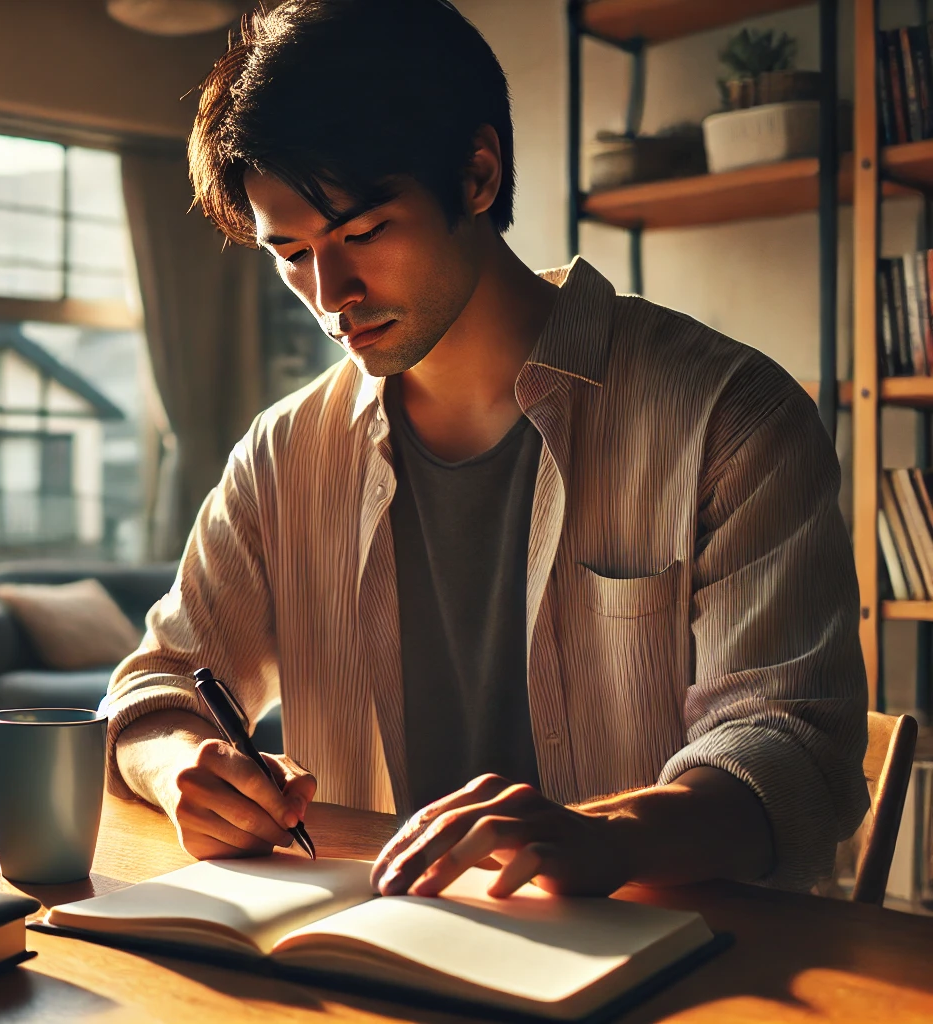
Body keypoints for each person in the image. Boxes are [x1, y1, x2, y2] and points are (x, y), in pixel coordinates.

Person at [107, 0, 868, 897]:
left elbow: (794, 752)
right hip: (364, 960)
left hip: (674, 967)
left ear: (476, 174)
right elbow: (153, 687)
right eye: (290, 253)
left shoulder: (728, 415)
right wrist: (181, 765)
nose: (330, 293)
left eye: (361, 234)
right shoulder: (283, 455)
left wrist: (610, 836)